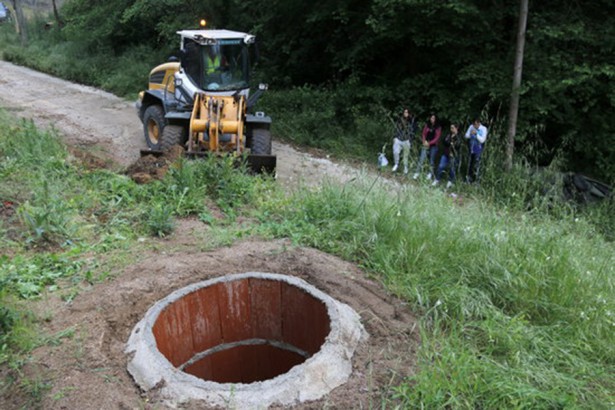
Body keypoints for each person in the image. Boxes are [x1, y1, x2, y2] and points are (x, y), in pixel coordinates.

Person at [432, 123, 462, 188]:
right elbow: (445, 141)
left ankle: (451, 181)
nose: (451, 129)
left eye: (452, 128)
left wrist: (451, 143)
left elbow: (458, 145)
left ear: (456, 128)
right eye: (450, 128)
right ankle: (437, 179)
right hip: (446, 154)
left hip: (454, 155)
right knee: (441, 166)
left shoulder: (459, 136)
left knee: (452, 169)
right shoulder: (449, 134)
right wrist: (451, 143)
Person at [413, 113, 441, 180]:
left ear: (436, 119)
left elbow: (437, 137)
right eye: (431, 118)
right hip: (425, 143)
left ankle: (430, 174)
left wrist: (429, 143)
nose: (432, 119)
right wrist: (424, 141)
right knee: (421, 158)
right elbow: (423, 134)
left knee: (431, 160)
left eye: (433, 118)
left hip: (433, 145)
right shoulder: (427, 125)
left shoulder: (438, 127)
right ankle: (417, 172)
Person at [391, 108, 418, 174]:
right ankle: (396, 164)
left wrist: (410, 140)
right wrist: (395, 137)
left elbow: (413, 132)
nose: (405, 113)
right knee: (396, 152)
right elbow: (396, 128)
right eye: (404, 112)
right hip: (399, 138)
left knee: (405, 155)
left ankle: (405, 167)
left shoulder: (412, 121)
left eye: (407, 112)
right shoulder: (400, 120)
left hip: (406, 140)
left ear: (409, 113)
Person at [464, 117, 488, 183]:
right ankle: (468, 179)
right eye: (474, 124)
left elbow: (482, 140)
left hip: (478, 147)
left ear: (479, 123)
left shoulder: (483, 129)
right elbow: (466, 136)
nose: (474, 126)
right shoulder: (471, 127)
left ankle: (477, 180)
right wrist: (470, 134)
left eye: (476, 124)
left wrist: (476, 134)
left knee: (477, 164)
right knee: (470, 163)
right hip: (471, 146)